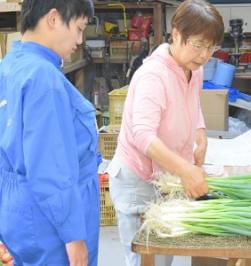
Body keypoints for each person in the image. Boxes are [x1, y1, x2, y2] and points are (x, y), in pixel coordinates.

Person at [106, 0, 224, 265]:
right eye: (198, 45)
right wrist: (186, 170)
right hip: (139, 180)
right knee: (146, 259)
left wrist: (200, 132)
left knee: (164, 258)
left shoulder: (194, 67)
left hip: (166, 176)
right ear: (176, 34)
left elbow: (192, 104)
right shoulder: (153, 76)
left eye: (211, 47)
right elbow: (143, 136)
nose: (204, 54)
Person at [0, 0, 100, 265]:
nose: (80, 40)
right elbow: (50, 168)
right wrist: (74, 236)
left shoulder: (10, 65)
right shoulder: (43, 77)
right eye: (78, 28)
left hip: (20, 212)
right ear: (53, 18)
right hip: (51, 222)